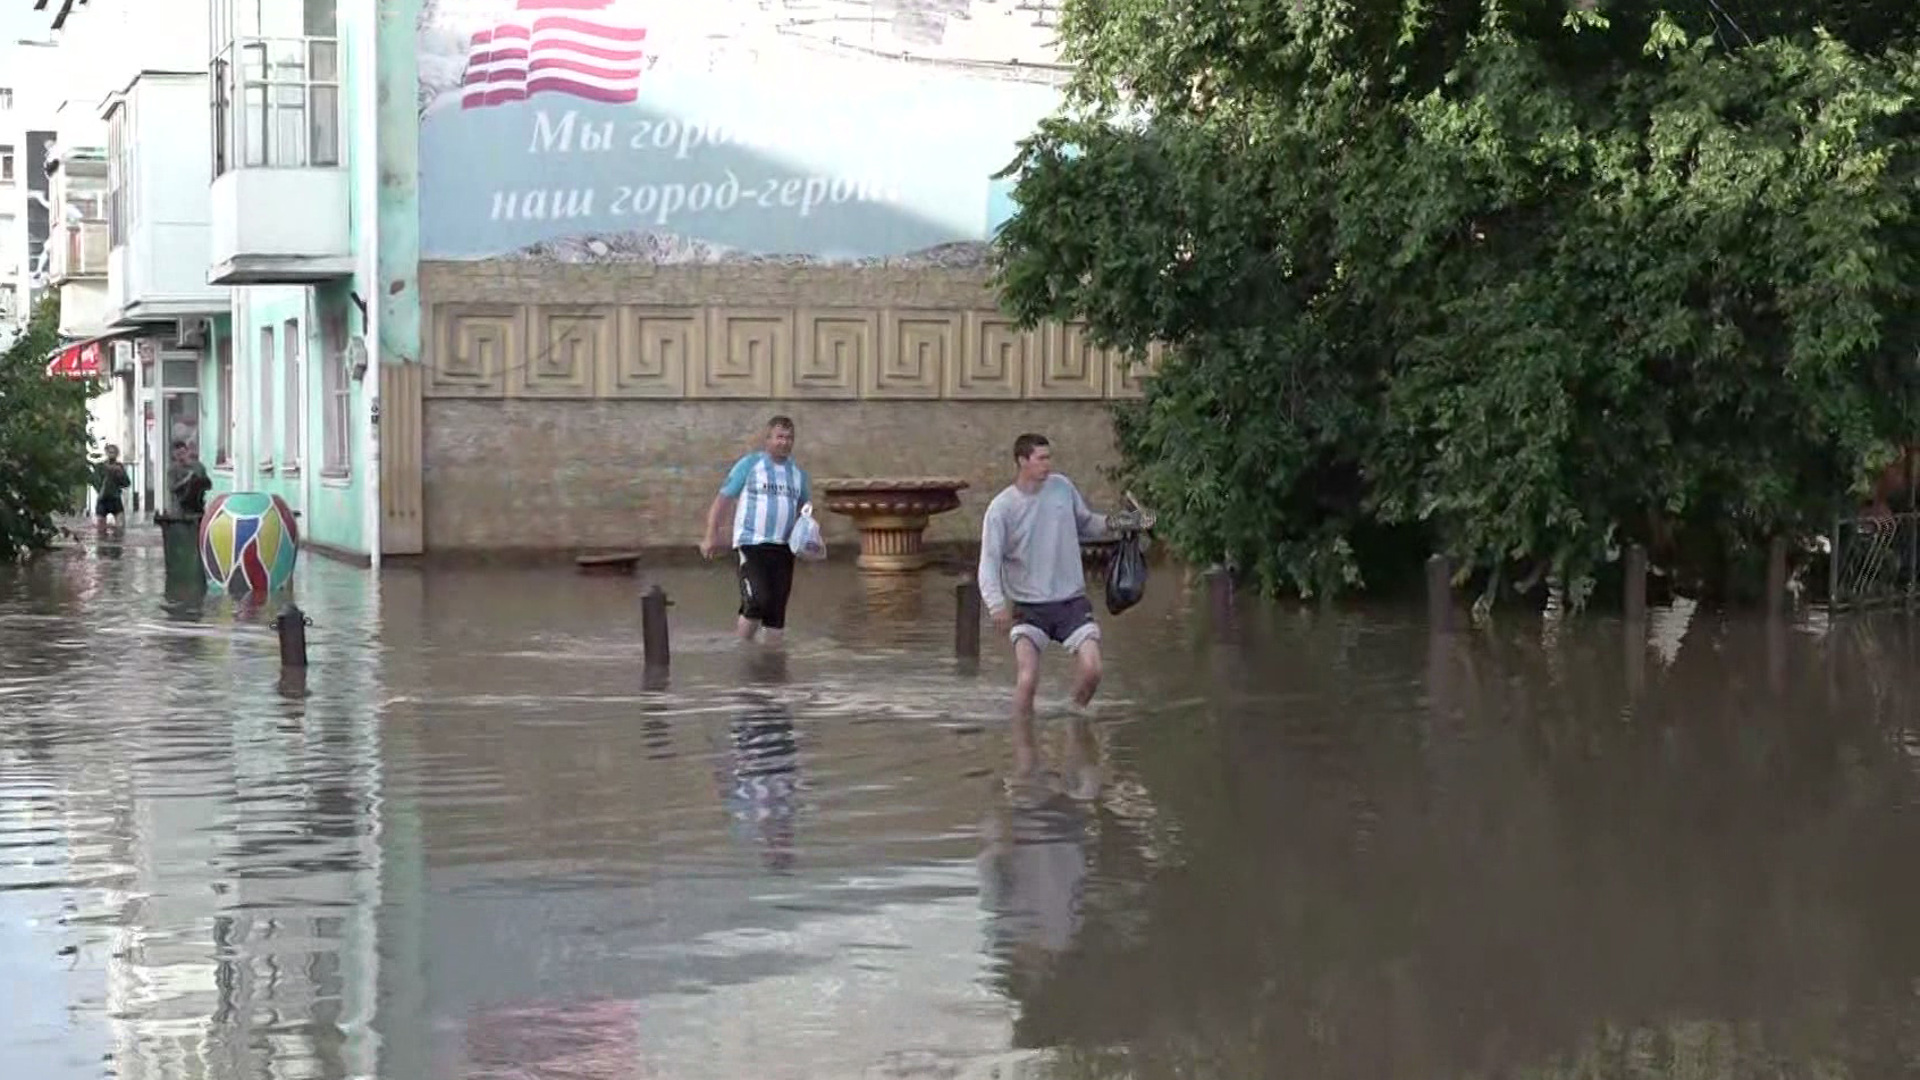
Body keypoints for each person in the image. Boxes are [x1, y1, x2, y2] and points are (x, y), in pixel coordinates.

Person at [978, 434, 1150, 775]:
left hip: (1071, 600)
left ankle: (1074, 719)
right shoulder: (1001, 508)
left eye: (1048, 458)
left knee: (1093, 669)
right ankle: (1023, 752)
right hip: (1029, 607)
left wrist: (1122, 523)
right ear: (1022, 461)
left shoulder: (1061, 488)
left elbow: (1086, 523)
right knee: (1028, 678)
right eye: (1041, 458)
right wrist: (996, 604)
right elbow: (989, 561)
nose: (1048, 465)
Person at [700, 415, 812, 644]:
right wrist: (711, 534)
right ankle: (742, 652)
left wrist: (808, 538)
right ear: (768, 438)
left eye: (789, 438)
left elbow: (805, 510)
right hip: (752, 544)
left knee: (776, 611)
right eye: (779, 437)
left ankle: (772, 669)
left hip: (784, 548)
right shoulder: (750, 465)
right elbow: (723, 500)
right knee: (757, 600)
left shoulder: (798, 474)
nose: (784, 442)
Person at [167, 440, 213, 516]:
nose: (181, 457)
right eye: (178, 455)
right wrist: (186, 480)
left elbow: (208, 485)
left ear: (187, 452)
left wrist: (198, 481)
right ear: (174, 455)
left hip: (198, 505)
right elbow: (172, 488)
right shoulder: (173, 469)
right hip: (181, 507)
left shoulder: (198, 466)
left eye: (183, 453)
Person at [92, 445, 130, 533]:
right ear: (106, 453)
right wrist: (100, 490)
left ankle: (118, 541)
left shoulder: (119, 467)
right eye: (110, 452)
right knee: (100, 528)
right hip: (103, 499)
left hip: (115, 499)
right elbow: (94, 481)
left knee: (121, 526)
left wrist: (120, 474)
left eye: (114, 453)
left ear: (117, 454)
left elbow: (126, 483)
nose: (112, 455)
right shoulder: (100, 467)